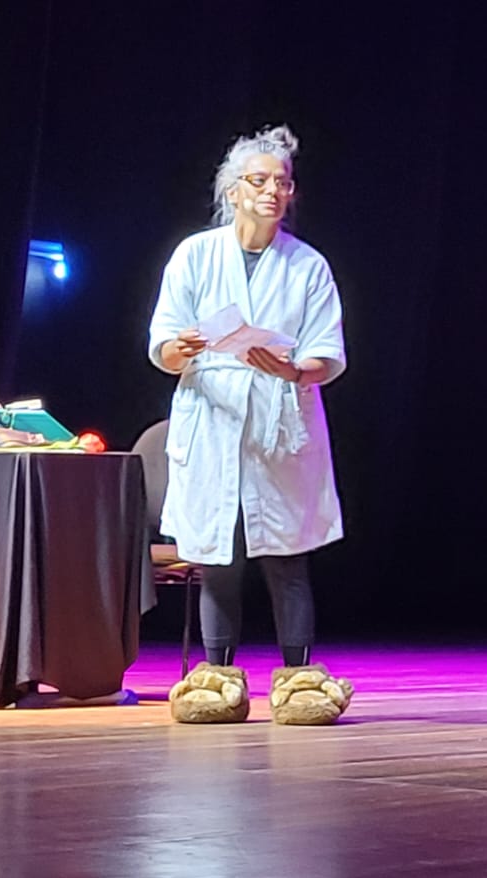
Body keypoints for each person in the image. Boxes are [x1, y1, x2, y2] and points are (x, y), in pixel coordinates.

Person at [146, 125, 348, 711]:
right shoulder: (195, 255)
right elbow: (163, 346)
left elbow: (328, 352)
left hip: (278, 418)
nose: (272, 192)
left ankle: (300, 681)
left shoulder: (308, 266)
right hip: (212, 416)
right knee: (218, 558)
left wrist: (293, 370)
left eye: (282, 183)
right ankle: (217, 679)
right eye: (259, 181)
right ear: (232, 190)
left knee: (286, 557)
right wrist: (181, 347)